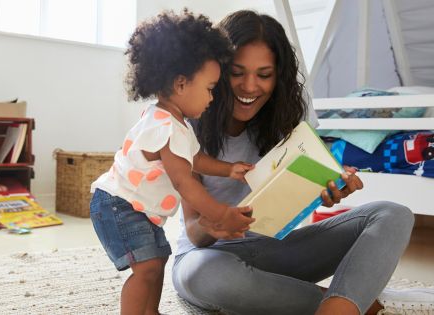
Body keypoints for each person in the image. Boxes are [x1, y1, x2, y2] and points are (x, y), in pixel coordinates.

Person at [172, 10, 433, 315]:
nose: (250, 86)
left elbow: (296, 197)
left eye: (264, 74)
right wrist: (214, 225)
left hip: (280, 251)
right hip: (211, 256)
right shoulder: (187, 123)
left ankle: (340, 306)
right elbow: (193, 231)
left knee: (394, 215)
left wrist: (330, 188)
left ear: (278, 76)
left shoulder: (289, 114)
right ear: (216, 70)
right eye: (237, 72)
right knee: (202, 276)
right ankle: (361, 303)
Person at [89, 10, 256, 315]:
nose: (212, 98)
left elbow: (195, 160)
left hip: (134, 209)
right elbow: (185, 182)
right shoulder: (165, 127)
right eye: (209, 89)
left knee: (157, 259)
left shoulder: (174, 123)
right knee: (147, 267)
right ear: (181, 84)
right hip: (119, 206)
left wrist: (229, 170)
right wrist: (222, 214)